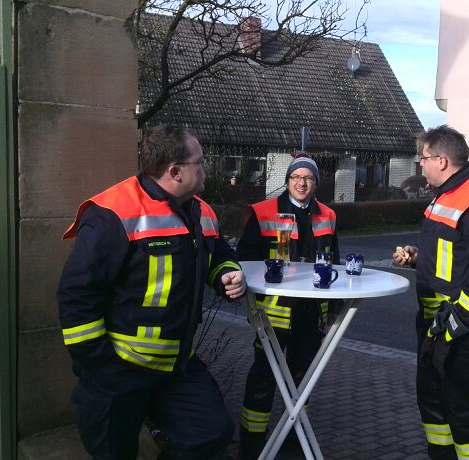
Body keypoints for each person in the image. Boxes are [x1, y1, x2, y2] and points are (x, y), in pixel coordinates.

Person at [57, 124, 247, 459]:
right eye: (200, 161)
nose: (205, 168)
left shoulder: (201, 210)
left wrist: (227, 274)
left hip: (177, 365)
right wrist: (101, 366)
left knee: (211, 433)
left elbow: (218, 253)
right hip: (120, 368)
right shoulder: (113, 213)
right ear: (175, 172)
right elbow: (77, 295)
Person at [393, 125, 469, 460]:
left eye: (424, 158)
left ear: (442, 161)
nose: (421, 164)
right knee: (434, 400)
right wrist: (418, 258)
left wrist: (458, 322)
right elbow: (452, 255)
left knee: (464, 408)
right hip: (438, 322)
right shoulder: (449, 192)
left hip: (459, 325)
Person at [236, 153, 340, 459]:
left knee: (301, 379)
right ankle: (252, 445)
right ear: (287, 181)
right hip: (271, 314)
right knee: (263, 379)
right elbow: (244, 259)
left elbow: (335, 261)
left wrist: (335, 307)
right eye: (296, 177)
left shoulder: (328, 215)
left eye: (308, 178)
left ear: (316, 183)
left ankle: (293, 440)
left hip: (311, 312)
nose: (301, 183)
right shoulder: (263, 212)